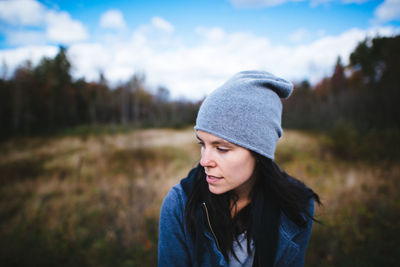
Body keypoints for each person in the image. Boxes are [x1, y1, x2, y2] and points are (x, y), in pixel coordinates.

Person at [158, 70, 320, 267]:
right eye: (203, 144)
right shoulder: (179, 206)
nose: (204, 161)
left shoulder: (296, 207)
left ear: (259, 153)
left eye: (222, 148)